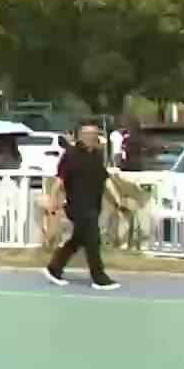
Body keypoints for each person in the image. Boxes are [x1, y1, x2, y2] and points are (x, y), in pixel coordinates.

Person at [46, 121, 119, 290]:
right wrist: (52, 201)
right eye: (87, 134)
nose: (91, 137)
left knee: (77, 240)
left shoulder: (97, 155)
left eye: (94, 134)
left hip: (94, 204)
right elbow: (59, 180)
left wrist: (117, 198)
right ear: (81, 136)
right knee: (93, 240)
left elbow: (105, 178)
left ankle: (54, 268)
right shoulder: (71, 155)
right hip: (77, 205)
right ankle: (98, 277)